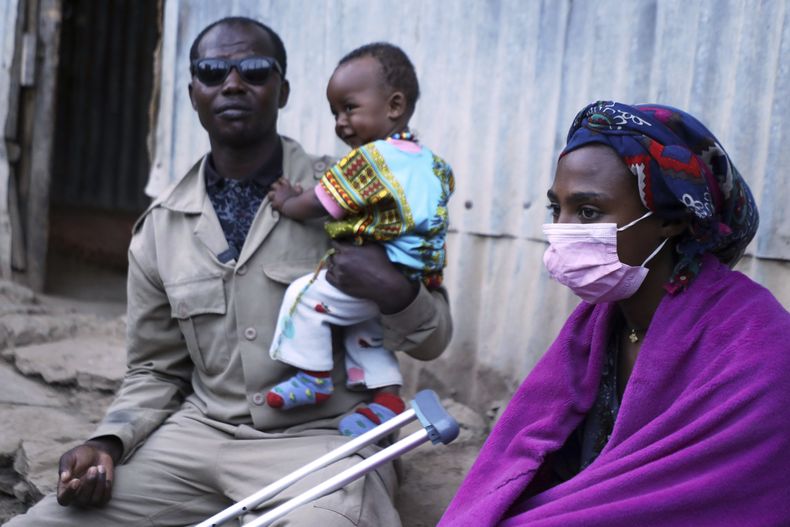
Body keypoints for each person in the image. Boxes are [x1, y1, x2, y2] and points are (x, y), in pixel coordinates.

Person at [7, 17, 451, 526]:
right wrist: (108, 441)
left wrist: (395, 292)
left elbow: (434, 338)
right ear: (193, 93)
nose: (233, 83)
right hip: (196, 442)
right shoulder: (161, 227)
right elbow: (154, 368)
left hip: (323, 441)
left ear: (282, 90)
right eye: (213, 71)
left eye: (255, 71)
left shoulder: (356, 195)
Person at [439, 101, 790, 526]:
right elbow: (523, 461)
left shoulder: (757, 346)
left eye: (588, 211)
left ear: (670, 220)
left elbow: (703, 502)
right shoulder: (599, 326)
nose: (563, 231)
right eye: (557, 209)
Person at [264, 42, 454, 438]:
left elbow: (321, 203)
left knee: (305, 299)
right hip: (412, 274)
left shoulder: (368, 160)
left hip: (370, 267)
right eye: (334, 112)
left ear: (395, 106)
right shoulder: (429, 161)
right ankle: (386, 399)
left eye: (349, 108)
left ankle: (313, 375)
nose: (339, 122)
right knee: (364, 330)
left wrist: (286, 201)